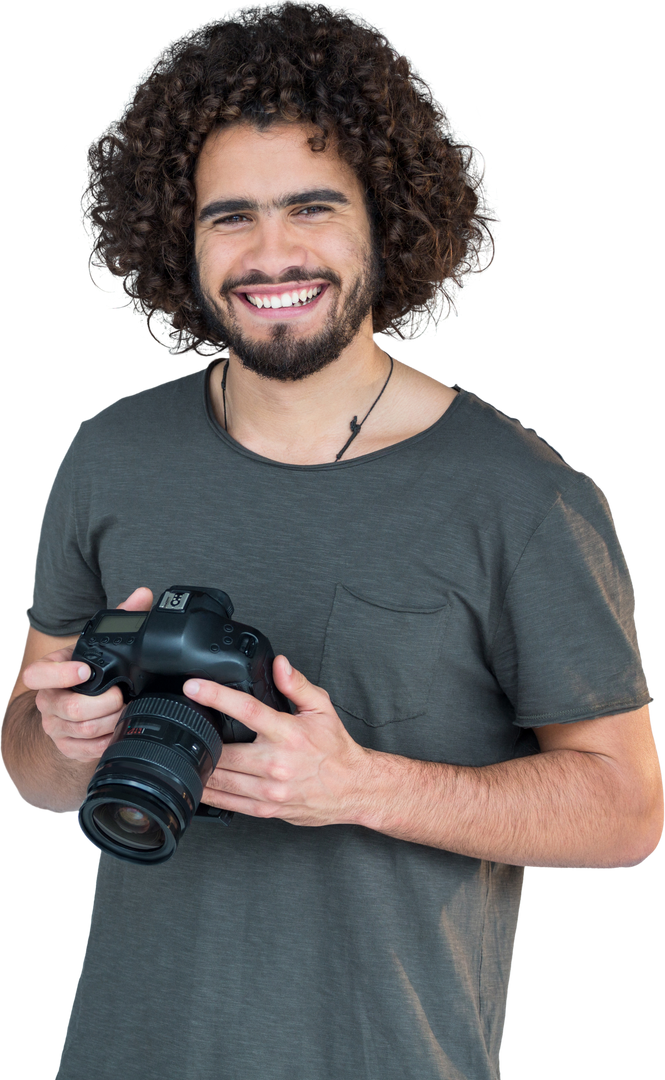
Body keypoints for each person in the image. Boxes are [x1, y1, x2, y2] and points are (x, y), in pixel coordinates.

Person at [1, 4, 660, 1079]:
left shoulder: (520, 497)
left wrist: (360, 787)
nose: (271, 256)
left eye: (312, 207)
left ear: (386, 221)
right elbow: (29, 768)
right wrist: (63, 735)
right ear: (176, 232)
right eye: (230, 217)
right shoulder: (109, 455)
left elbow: (626, 810)